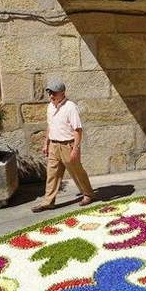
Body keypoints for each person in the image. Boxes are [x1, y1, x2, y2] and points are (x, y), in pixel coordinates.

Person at [31, 79, 96, 212]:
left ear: (62, 93)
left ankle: (88, 194)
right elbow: (50, 126)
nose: (51, 96)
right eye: (50, 92)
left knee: (77, 172)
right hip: (54, 146)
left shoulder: (70, 107)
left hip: (68, 145)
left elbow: (77, 129)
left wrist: (75, 149)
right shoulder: (50, 107)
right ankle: (48, 202)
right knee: (52, 174)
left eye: (54, 93)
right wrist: (46, 144)